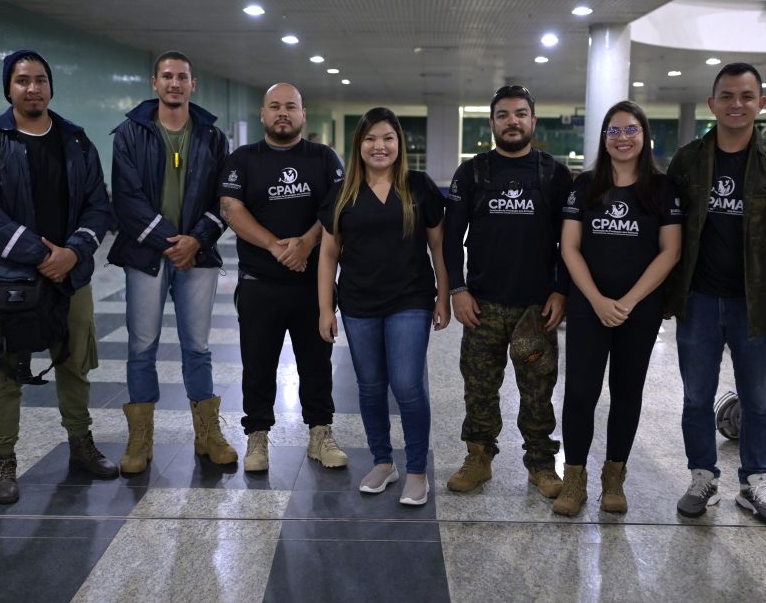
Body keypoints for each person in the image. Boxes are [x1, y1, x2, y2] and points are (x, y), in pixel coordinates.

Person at [667, 63, 766, 527]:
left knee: (757, 399)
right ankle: (702, 477)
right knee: (697, 397)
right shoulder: (688, 160)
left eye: (746, 96)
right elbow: (666, 229)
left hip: (757, 303)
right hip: (698, 299)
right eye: (727, 96)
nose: (737, 104)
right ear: (712, 104)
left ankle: (754, 481)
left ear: (761, 104)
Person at [0, 49, 117, 504]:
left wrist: (73, 253)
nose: (33, 88)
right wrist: (40, 255)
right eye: (23, 80)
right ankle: (3, 460)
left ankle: (80, 443)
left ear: (51, 86)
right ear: (8, 87)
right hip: (9, 280)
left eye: (40, 80)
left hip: (71, 276)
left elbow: (98, 205)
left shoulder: (76, 141)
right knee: (3, 370)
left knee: (75, 363)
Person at [552, 101, 682, 516]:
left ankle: (614, 478)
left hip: (638, 310)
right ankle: (574, 479)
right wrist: (595, 299)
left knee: (627, 393)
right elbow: (569, 247)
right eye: (614, 131)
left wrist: (626, 302)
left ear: (645, 137)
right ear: (604, 139)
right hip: (590, 306)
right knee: (579, 393)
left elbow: (670, 252)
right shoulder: (584, 185)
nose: (622, 138)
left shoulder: (662, 190)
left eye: (631, 130)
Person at [442, 85, 573, 498]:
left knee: (538, 392)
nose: (512, 121)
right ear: (492, 123)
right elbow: (449, 238)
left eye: (520, 114)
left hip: (536, 308)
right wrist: (457, 290)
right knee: (479, 388)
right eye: (503, 114)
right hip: (482, 305)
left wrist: (562, 291)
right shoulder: (474, 172)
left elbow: (571, 241)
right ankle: (479, 458)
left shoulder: (554, 174)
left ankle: (541, 463)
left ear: (533, 121)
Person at [108, 51, 235, 473]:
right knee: (141, 347)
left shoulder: (212, 137)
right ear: (154, 82)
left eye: (182, 77)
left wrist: (195, 241)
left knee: (197, 347)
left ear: (192, 84)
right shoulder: (130, 133)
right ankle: (140, 441)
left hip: (196, 255)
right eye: (167, 76)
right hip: (146, 254)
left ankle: (208, 434)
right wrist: (171, 241)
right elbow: (125, 199)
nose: (175, 83)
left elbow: (225, 199)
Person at [318, 107, 450, 506]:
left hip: (410, 299)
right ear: (359, 146)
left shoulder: (419, 186)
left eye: (388, 138)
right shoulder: (343, 193)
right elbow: (327, 254)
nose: (380, 146)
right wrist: (326, 308)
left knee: (407, 385)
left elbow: (438, 247)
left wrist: (443, 295)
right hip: (358, 303)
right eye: (371, 139)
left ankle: (415, 471)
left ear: (399, 144)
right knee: (371, 387)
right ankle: (382, 462)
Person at [219, 83, 348, 472]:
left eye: (291, 107)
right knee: (257, 364)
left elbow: (337, 205)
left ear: (303, 114)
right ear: (263, 114)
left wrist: (307, 243)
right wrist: (276, 247)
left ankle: (320, 434)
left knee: (316, 364)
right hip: (260, 284)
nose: (283, 113)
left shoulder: (323, 158)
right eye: (275, 107)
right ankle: (257, 437)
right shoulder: (243, 158)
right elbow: (231, 208)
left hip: (312, 285)